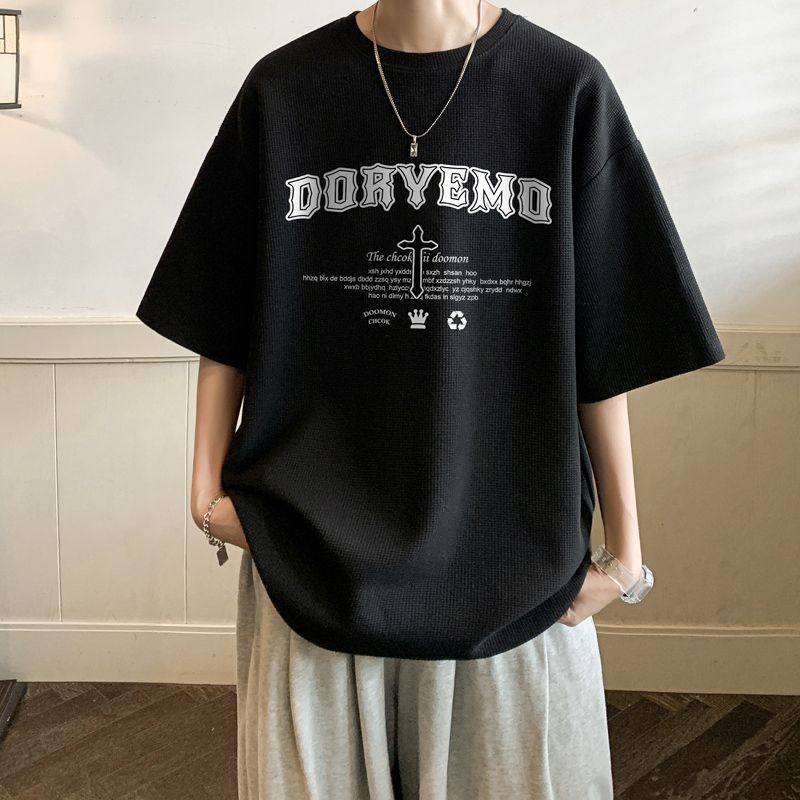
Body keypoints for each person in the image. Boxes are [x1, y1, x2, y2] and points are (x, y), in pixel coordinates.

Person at [135, 1, 726, 797]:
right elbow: (222, 312)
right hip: (310, 558)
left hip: (512, 564)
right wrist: (204, 497)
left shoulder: (566, 90)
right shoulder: (284, 93)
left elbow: (603, 338)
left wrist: (626, 552)